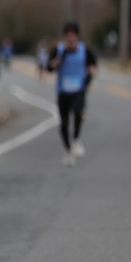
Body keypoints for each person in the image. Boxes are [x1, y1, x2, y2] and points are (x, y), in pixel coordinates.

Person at [47, 22, 97, 167]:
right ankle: (68, 150)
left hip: (78, 90)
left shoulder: (84, 50)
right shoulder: (58, 50)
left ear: (77, 36)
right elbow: (49, 67)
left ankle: (76, 139)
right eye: (68, 34)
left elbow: (93, 65)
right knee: (64, 123)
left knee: (78, 112)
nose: (70, 37)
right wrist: (59, 58)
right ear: (65, 36)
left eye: (73, 34)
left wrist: (88, 79)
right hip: (63, 91)